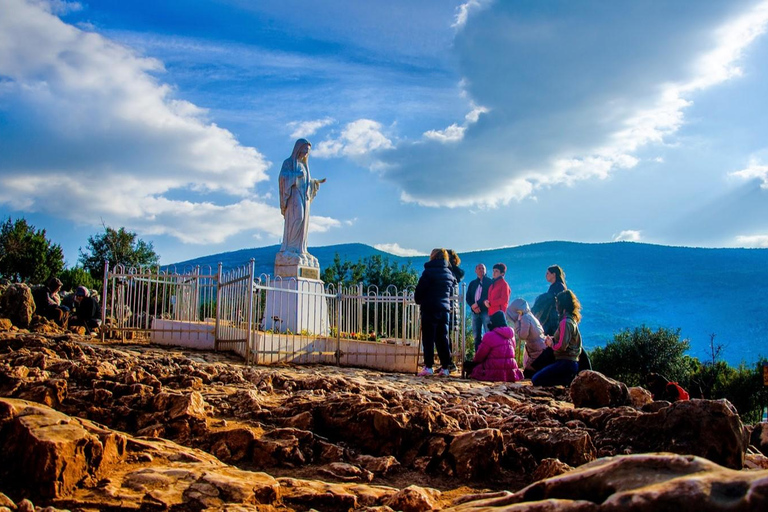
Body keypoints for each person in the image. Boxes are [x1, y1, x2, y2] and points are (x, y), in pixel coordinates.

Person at [278, 139, 326, 266]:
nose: (305, 153)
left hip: (304, 197)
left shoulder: (305, 166)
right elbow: (282, 177)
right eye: (304, 150)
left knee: (304, 221)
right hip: (294, 196)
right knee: (297, 218)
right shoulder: (288, 163)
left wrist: (314, 182)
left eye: (307, 152)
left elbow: (306, 182)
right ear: (298, 149)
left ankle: (300, 249)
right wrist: (295, 176)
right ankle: (290, 248)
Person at [414, 248, 457, 377]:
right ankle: (445, 367)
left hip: (429, 307)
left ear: (432, 257)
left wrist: (420, 300)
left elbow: (419, 291)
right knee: (442, 338)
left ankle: (428, 366)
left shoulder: (428, 272)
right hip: (444, 309)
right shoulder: (449, 274)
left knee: (428, 338)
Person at [532, 290, 583, 387]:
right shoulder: (571, 320)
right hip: (570, 362)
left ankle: (565, 381)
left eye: (557, 303)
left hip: (566, 362)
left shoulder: (565, 322)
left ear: (561, 305)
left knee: (536, 379)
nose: (556, 306)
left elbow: (562, 346)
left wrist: (551, 344)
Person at [467, 311, 523, 383]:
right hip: (510, 371)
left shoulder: (489, 336)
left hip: (493, 371)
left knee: (472, 367)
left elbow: (480, 356)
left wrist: (474, 363)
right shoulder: (511, 336)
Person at [506, 298, 547, 378]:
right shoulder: (530, 316)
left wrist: (517, 322)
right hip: (539, 349)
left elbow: (522, 336)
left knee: (527, 375)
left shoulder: (524, 318)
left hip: (536, 352)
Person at [532, 265, 567, 336]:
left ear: (554, 274)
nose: (546, 275)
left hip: (554, 318)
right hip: (552, 317)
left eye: (548, 273)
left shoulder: (559, 286)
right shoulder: (555, 286)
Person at [466, 263, 493, 351]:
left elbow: (488, 296)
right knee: (476, 335)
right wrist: (473, 306)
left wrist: (477, 304)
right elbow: (468, 297)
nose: (481, 270)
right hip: (475, 312)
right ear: (475, 270)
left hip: (486, 311)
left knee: (488, 333)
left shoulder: (490, 282)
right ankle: (478, 355)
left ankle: (489, 355)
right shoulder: (473, 283)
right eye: (479, 268)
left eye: (483, 268)